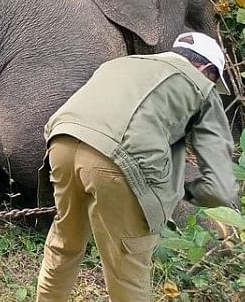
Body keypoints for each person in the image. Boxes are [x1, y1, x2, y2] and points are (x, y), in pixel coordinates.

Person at [36, 32, 238, 302]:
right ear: (205, 69)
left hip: (62, 141)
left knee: (65, 242)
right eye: (214, 78)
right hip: (117, 160)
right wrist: (184, 191)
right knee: (127, 266)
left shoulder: (124, 63)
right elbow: (219, 188)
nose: (211, 84)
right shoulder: (200, 86)